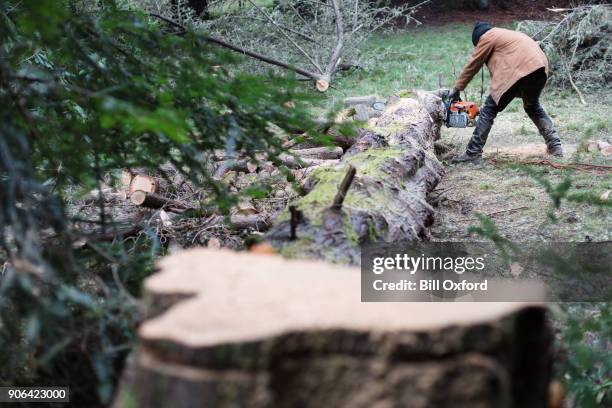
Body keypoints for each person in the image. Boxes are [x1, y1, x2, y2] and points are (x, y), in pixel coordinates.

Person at [449, 22, 563, 163]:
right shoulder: (505, 34)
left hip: (519, 68)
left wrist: (457, 89)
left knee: (489, 110)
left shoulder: (487, 36)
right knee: (532, 106)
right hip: (540, 66)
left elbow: (473, 64)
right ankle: (555, 146)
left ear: (478, 39)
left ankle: (473, 153)